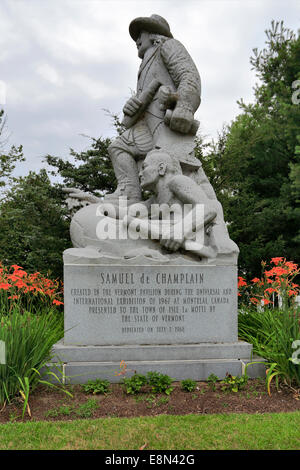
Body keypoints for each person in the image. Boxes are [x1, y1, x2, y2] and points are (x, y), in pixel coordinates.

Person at [105, 14, 202, 204]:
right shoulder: (144, 65)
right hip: (146, 125)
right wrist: (132, 107)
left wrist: (184, 104)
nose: (137, 40)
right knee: (118, 147)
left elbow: (189, 75)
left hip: (165, 124)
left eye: (141, 34)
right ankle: (130, 193)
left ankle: (182, 206)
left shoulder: (168, 46)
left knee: (172, 166)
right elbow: (140, 104)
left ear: (154, 34)